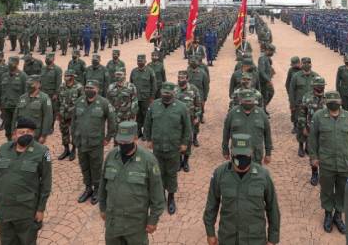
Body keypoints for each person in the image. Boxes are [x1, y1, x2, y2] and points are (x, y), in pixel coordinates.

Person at [203, 133, 281, 245]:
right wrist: (210, 233)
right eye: (238, 155)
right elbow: (212, 205)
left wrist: (272, 239)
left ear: (251, 153)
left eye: (245, 155)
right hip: (228, 238)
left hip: (255, 239)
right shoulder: (220, 174)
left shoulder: (263, 175)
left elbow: (273, 208)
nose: (242, 159)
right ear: (232, 154)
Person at [99, 121, 165, 244]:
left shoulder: (148, 160)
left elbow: (157, 194)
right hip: (113, 224)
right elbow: (102, 186)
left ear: (135, 138)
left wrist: (153, 220)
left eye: (126, 142)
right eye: (120, 141)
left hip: (136, 226)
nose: (123, 144)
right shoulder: (111, 156)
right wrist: (102, 208)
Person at [0, 117, 52, 245]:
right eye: (21, 132)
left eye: (29, 132)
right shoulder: (3, 149)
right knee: (6, 241)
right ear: (14, 134)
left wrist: (41, 209)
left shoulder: (43, 152)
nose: (25, 135)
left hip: (26, 211)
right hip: (5, 209)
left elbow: (46, 183)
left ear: (33, 134)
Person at [307, 91, 348, 233]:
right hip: (327, 162)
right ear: (326, 102)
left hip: (346, 163)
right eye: (331, 101)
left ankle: (338, 215)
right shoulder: (318, 117)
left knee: (343, 190)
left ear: (341, 101)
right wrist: (314, 157)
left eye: (336, 100)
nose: (334, 103)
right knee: (327, 190)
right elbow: (313, 139)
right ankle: (328, 214)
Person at [144, 82, 192, 215]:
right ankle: (160, 197)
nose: (166, 95)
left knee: (171, 173)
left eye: (169, 93)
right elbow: (147, 123)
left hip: (174, 147)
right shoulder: (154, 106)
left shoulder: (181, 107)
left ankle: (171, 197)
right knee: (157, 172)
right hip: (158, 147)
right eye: (164, 92)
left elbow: (187, 128)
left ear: (173, 93)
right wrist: (148, 139)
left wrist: (184, 143)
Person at [72, 80, 117, 204]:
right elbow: (73, 121)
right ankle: (88, 188)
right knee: (84, 166)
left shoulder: (104, 103)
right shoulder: (79, 102)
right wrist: (74, 138)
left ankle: (97, 189)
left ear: (97, 89)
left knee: (96, 167)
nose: (88, 89)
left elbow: (112, 121)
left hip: (95, 143)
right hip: (81, 142)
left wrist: (108, 137)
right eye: (86, 87)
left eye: (91, 87)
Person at [222, 89, 272, 165]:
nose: (248, 103)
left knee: (256, 176)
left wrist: (268, 153)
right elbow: (226, 133)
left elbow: (267, 134)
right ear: (240, 101)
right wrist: (225, 150)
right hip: (238, 153)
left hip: (256, 154)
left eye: (250, 101)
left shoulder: (261, 114)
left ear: (254, 101)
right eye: (246, 101)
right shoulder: (232, 113)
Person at [56, 70, 83, 161]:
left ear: (72, 76)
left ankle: (73, 150)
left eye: (68, 76)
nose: (66, 77)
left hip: (74, 115)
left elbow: (82, 102)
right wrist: (58, 113)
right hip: (63, 114)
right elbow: (58, 100)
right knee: (64, 132)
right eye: (65, 75)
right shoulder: (62, 86)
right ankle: (66, 149)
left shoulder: (79, 87)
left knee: (74, 133)